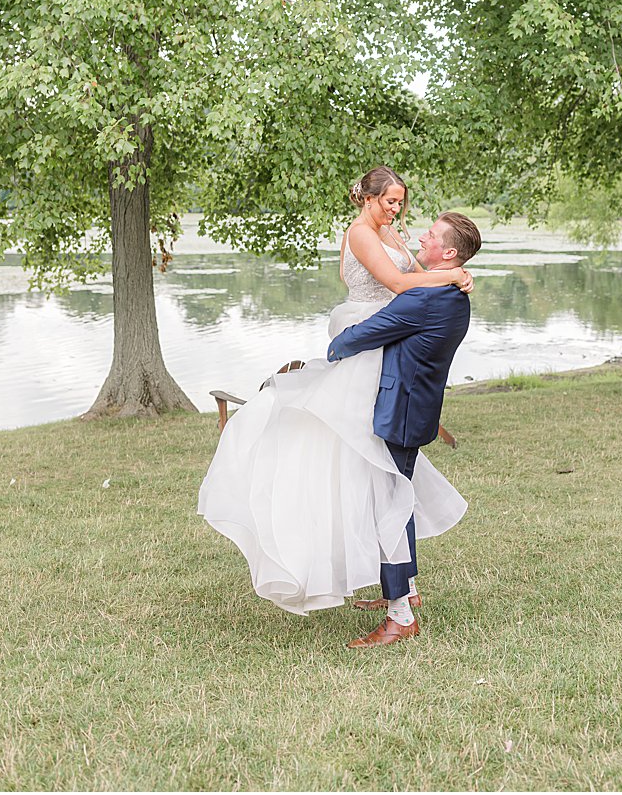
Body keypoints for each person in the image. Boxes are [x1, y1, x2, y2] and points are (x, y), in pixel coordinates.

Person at [197, 166, 471, 629]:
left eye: (400, 202)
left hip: (386, 352)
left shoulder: (400, 245)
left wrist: (452, 273)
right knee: (372, 474)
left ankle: (401, 600)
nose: (398, 209)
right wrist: (454, 275)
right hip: (376, 343)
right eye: (390, 201)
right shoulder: (363, 235)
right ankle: (400, 590)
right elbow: (402, 284)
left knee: (380, 480)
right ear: (368, 197)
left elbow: (416, 281)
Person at [327, 209, 481, 648]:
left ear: (448, 253)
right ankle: (406, 590)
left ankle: (400, 617)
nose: (422, 238)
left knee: (388, 506)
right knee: (397, 498)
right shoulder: (453, 294)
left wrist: (335, 346)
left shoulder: (425, 299)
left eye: (431, 235)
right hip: (417, 409)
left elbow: (359, 337)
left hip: (397, 412)